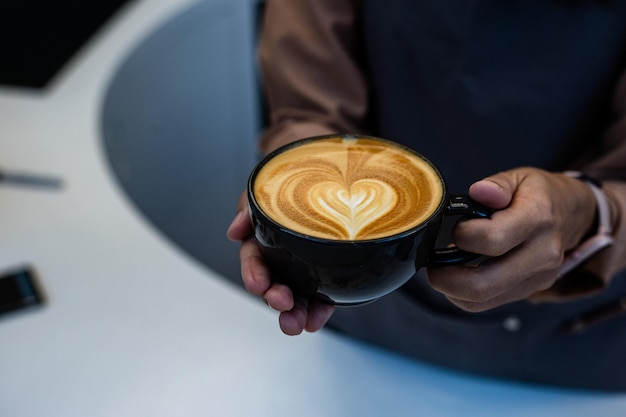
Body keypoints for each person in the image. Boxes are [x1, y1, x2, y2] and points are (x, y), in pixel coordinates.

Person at [227, 0, 626, 390]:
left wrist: (593, 211)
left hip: (572, 349)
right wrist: (290, 210)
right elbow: (309, 110)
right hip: (361, 315)